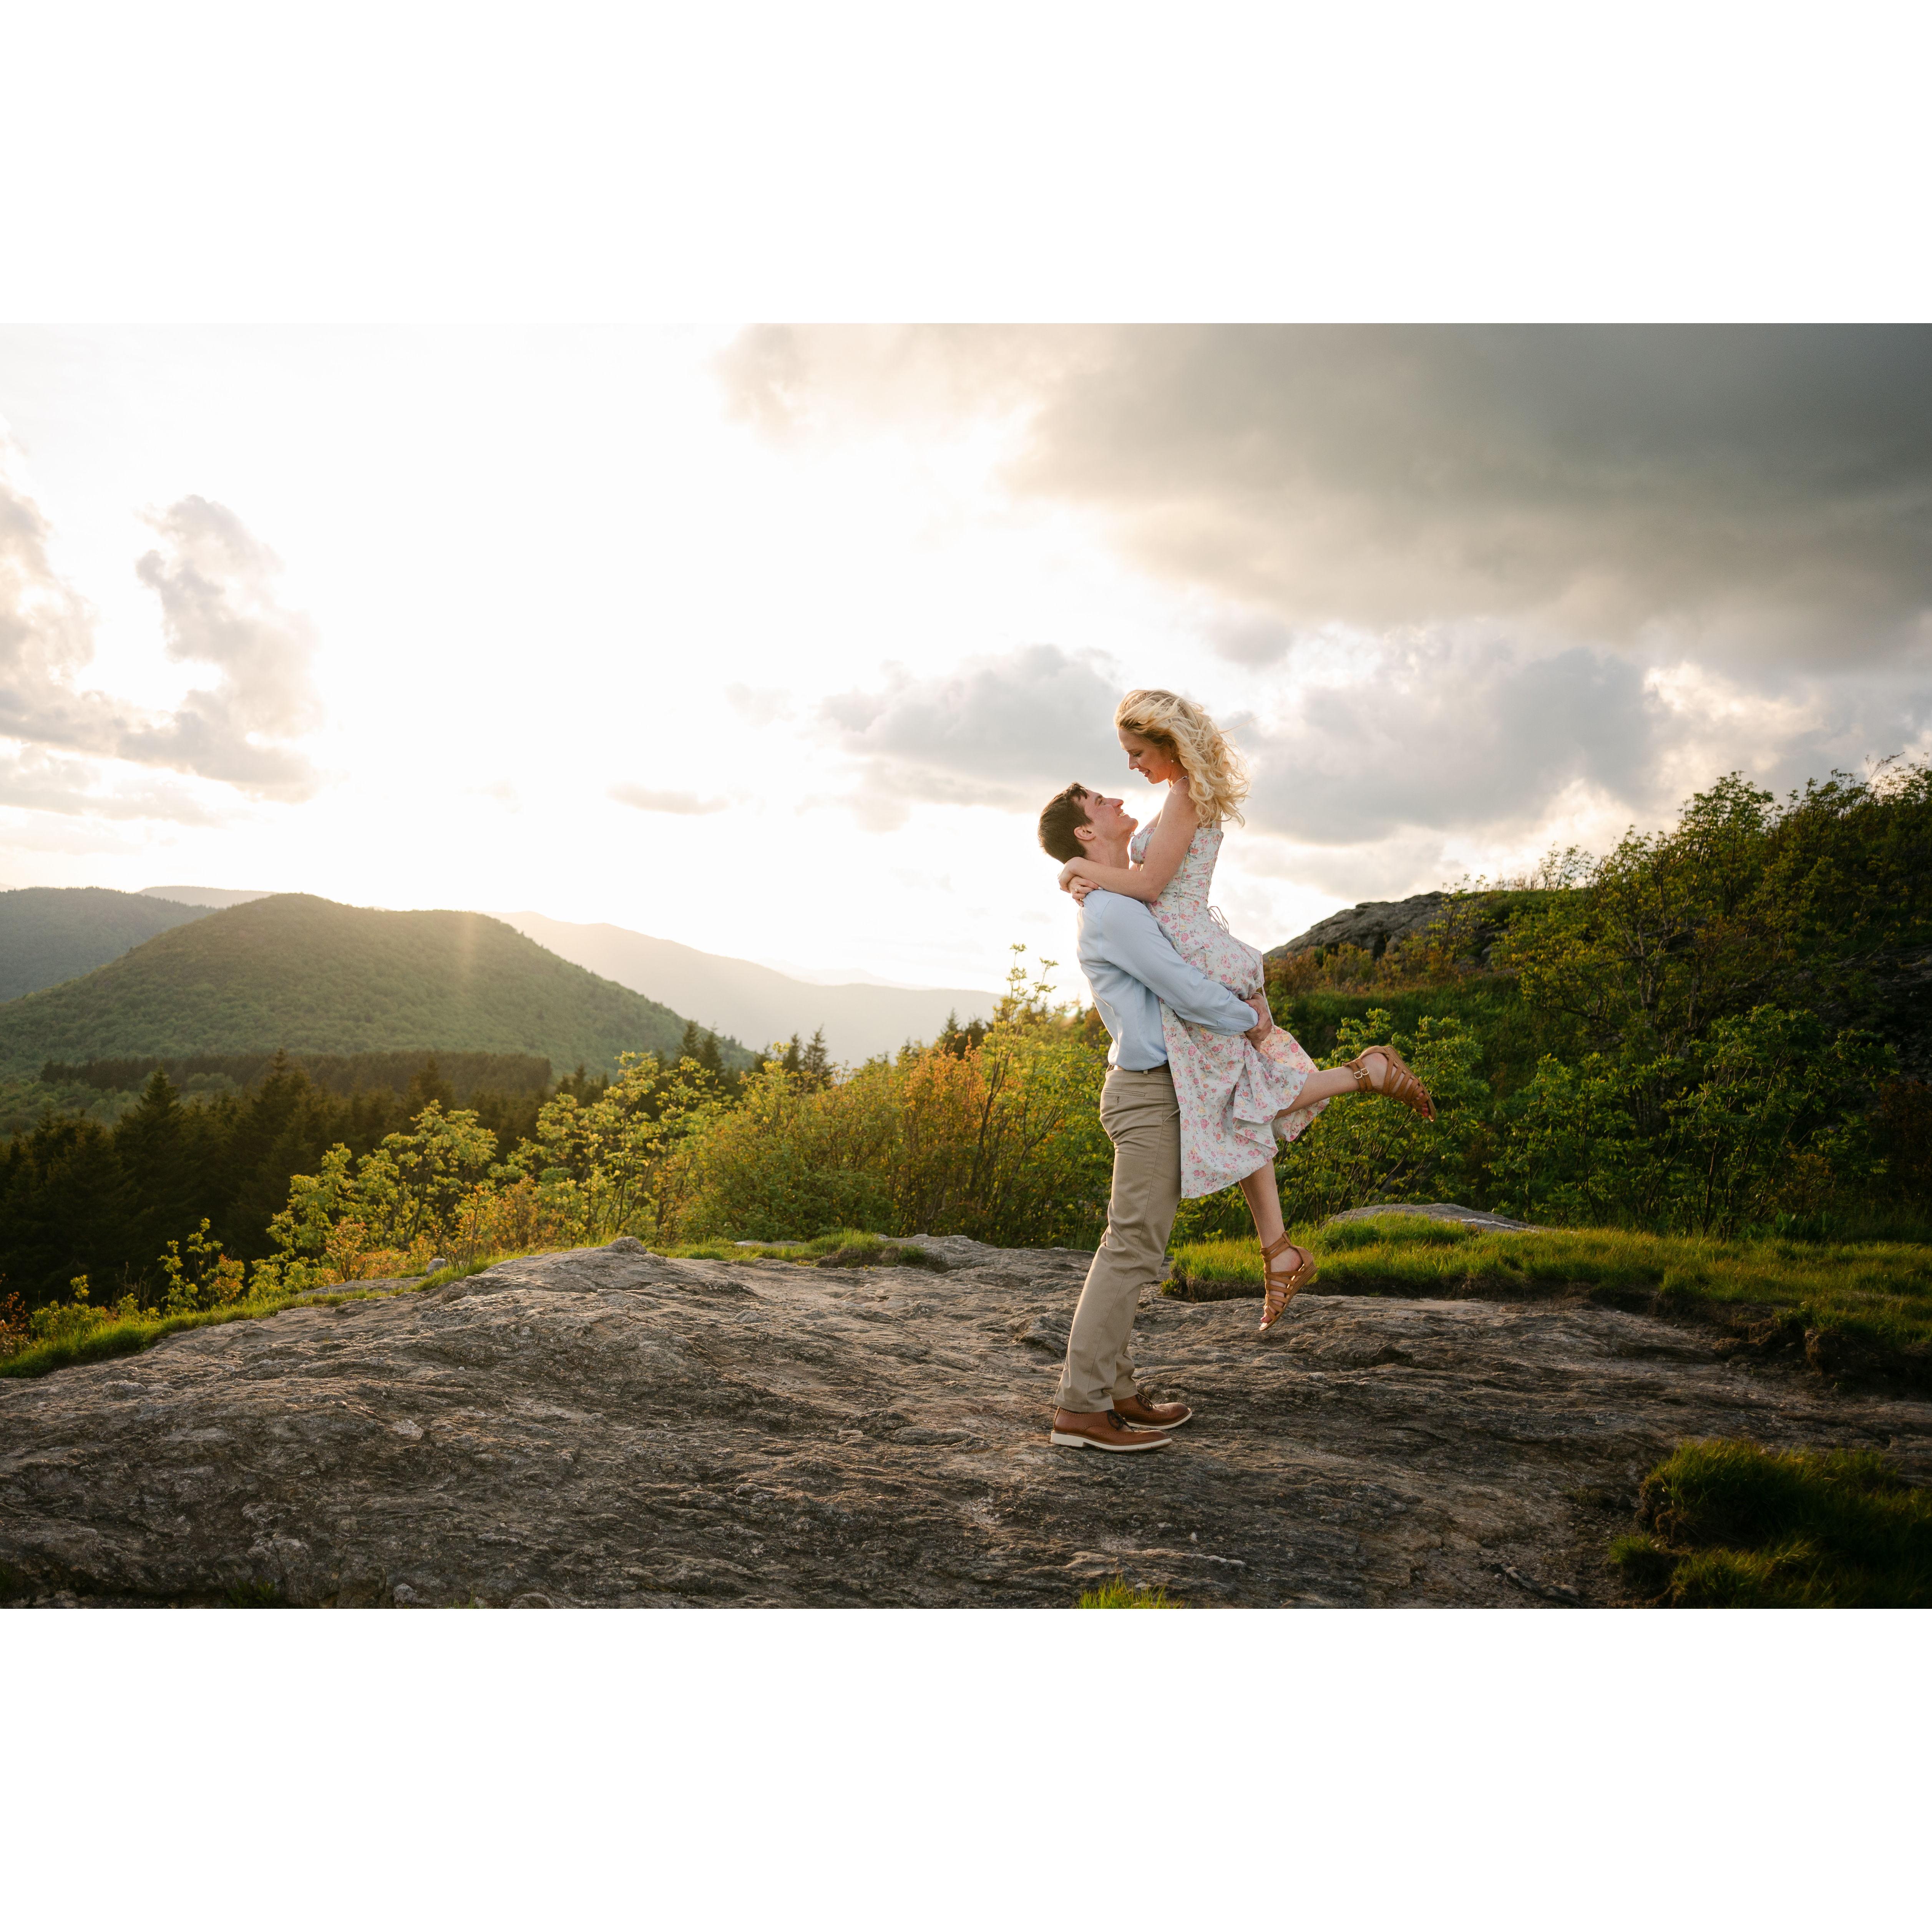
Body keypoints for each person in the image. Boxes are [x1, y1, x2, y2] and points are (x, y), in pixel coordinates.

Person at [1052, 690, 1437, 1330]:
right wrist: (1086, 877)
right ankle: (1278, 1251)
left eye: (1137, 752)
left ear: (1167, 742)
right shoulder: (1179, 795)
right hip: (1195, 947)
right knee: (1237, 1095)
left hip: (1196, 953)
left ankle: (1365, 1075)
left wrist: (1072, 869)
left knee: (1237, 1094)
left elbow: (1150, 886)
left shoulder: (1183, 797)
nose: (1131, 767)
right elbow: (1144, 885)